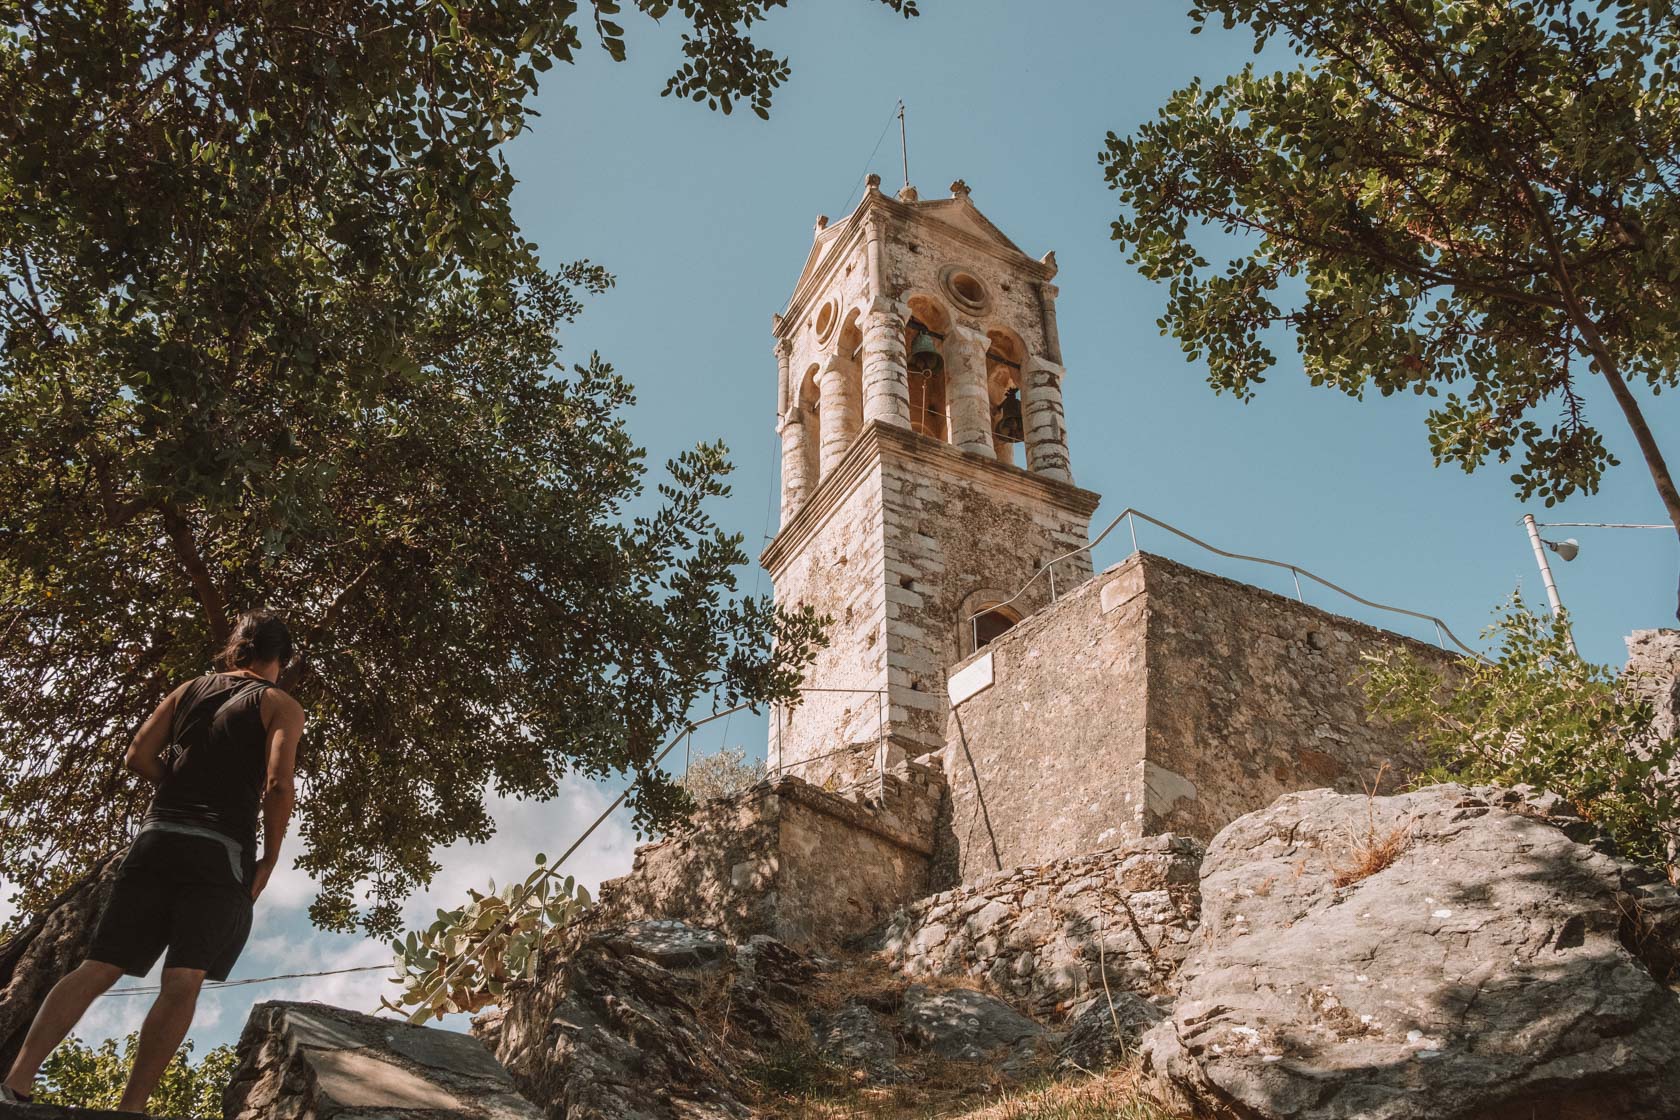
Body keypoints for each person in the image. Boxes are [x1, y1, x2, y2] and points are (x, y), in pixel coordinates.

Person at [2, 610, 305, 1114]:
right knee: (183, 979)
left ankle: (15, 1082)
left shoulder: (189, 688)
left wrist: (175, 787)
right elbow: (278, 785)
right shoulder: (280, 704)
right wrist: (268, 859)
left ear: (238, 649)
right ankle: (132, 1107)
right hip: (219, 849)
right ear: (282, 659)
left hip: (157, 836)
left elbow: (138, 755)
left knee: (98, 965)